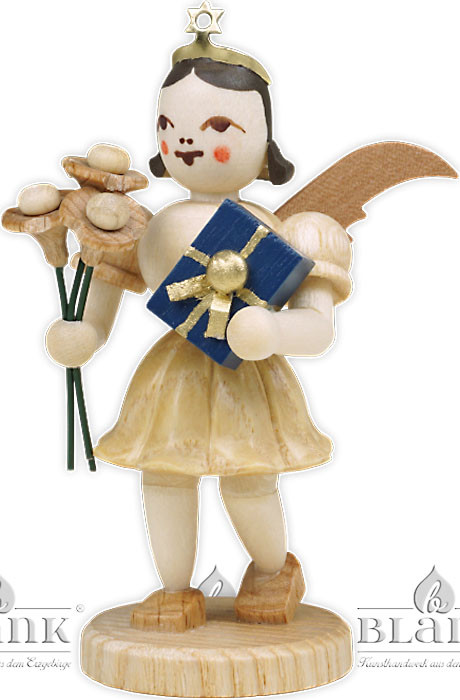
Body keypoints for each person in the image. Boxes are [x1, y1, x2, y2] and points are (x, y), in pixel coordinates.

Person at [46, 11, 352, 630]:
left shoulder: (285, 232)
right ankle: (174, 589)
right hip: (175, 376)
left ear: (263, 145)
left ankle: (273, 570)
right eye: (169, 126)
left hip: (247, 374)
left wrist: (273, 332)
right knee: (164, 475)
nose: (185, 141)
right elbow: (104, 300)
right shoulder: (145, 228)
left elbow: (318, 329)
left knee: (247, 479)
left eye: (216, 127)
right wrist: (84, 334)